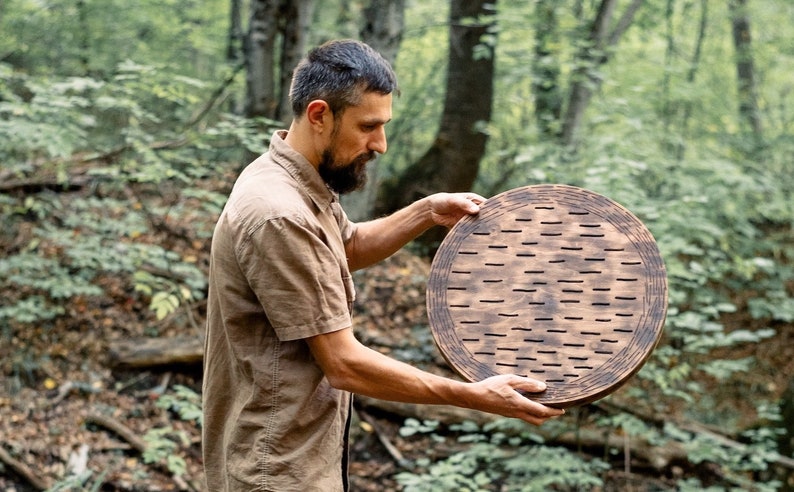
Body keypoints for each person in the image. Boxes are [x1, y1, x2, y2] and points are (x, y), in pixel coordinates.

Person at [202, 39, 564, 491]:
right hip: (275, 472)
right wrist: (473, 395)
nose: (382, 144)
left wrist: (425, 212)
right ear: (319, 115)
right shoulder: (280, 213)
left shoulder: (290, 180)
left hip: (293, 459)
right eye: (368, 126)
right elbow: (344, 364)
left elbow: (344, 247)